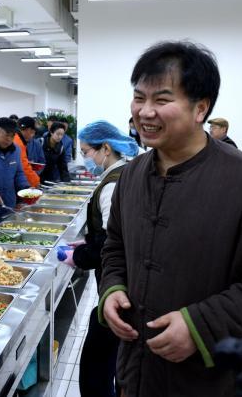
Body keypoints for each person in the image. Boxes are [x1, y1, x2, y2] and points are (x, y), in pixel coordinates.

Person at [99, 41, 242, 396]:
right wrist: (112, 288)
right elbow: (115, 246)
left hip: (214, 382)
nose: (145, 112)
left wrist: (201, 326)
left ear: (201, 108)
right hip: (136, 373)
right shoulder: (131, 176)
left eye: (162, 100)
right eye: (139, 98)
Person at [59, 121, 139, 397]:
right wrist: (88, 243)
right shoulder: (125, 172)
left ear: (106, 148)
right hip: (127, 280)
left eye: (86, 152)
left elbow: (110, 242)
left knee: (96, 365)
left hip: (121, 285)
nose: (85, 159)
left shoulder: (112, 185)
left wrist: (80, 256)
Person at [13, 116, 41, 188]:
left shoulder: (16, 138)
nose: (33, 136)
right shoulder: (18, 143)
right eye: (32, 132)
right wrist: (36, 182)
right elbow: (24, 167)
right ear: (28, 130)